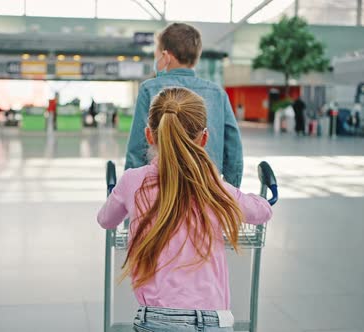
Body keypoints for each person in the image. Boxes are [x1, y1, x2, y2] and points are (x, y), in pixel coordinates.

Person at [98, 87, 272, 332]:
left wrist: (119, 196)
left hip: (154, 320)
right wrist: (264, 199)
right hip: (213, 321)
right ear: (204, 138)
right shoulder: (212, 185)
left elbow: (105, 219)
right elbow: (260, 212)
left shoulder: (132, 181)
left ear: (149, 135)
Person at [125, 23, 243, 187]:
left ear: (165, 55)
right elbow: (233, 150)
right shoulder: (218, 93)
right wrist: (231, 190)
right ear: (196, 56)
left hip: (162, 192)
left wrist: (131, 192)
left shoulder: (149, 89)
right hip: (206, 191)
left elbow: (137, 149)